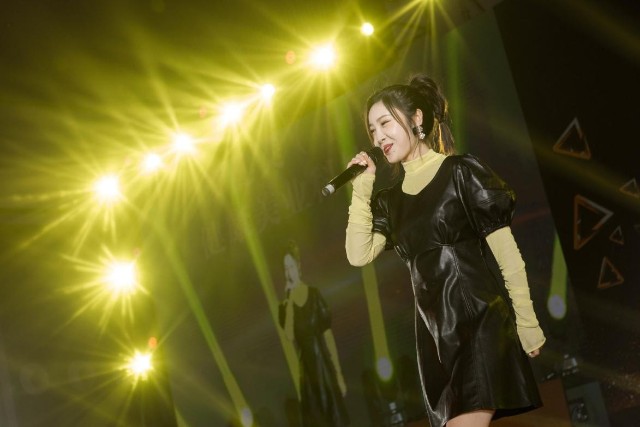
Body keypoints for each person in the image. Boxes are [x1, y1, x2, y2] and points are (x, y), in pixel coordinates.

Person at [344, 74, 545, 427]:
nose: (378, 138)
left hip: (478, 322)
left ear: (416, 118)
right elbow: (358, 254)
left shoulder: (460, 172)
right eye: (372, 130)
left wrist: (527, 322)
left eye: (385, 123)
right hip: (435, 336)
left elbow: (508, 256)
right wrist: (361, 189)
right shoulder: (391, 202)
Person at [278, 241, 350, 427]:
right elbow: (289, 335)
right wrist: (290, 300)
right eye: (285, 268)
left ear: (299, 267)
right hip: (307, 374)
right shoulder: (285, 307)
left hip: (323, 365)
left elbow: (328, 337)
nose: (289, 272)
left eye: (291, 266)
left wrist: (338, 374)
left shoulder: (314, 295)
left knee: (336, 418)